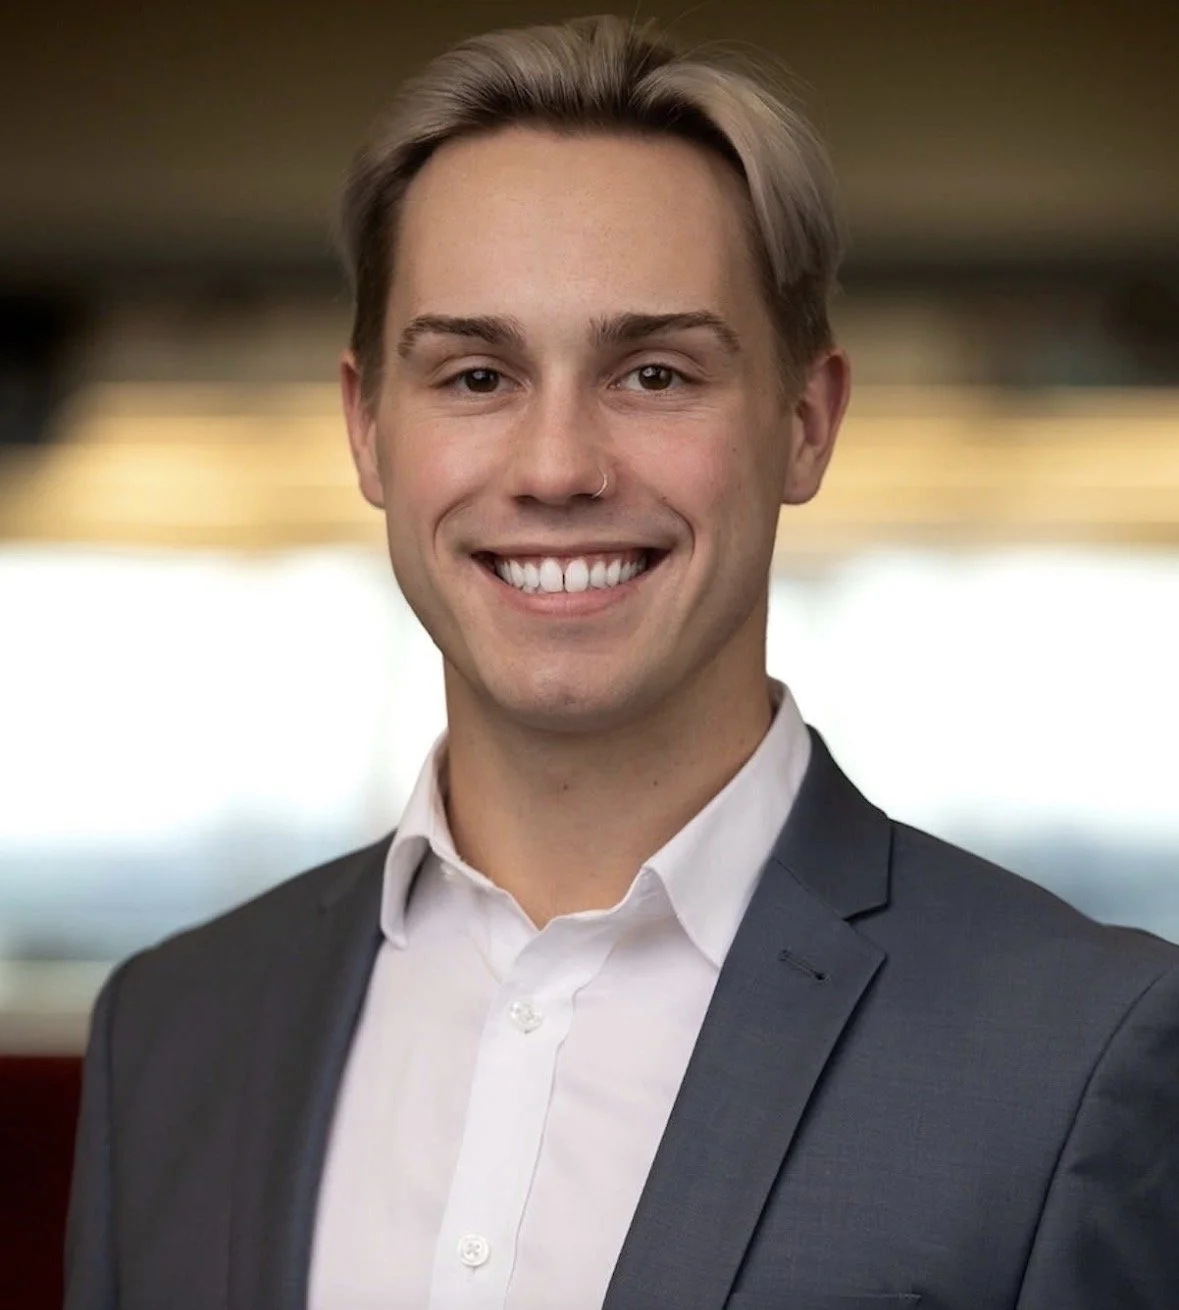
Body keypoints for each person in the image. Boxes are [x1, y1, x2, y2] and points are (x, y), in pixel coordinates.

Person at [65, 15, 1179, 1310]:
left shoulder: (1075, 1053)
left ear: (804, 422)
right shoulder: (171, 1029)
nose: (554, 468)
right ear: (367, 430)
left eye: (652, 372)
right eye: (476, 374)